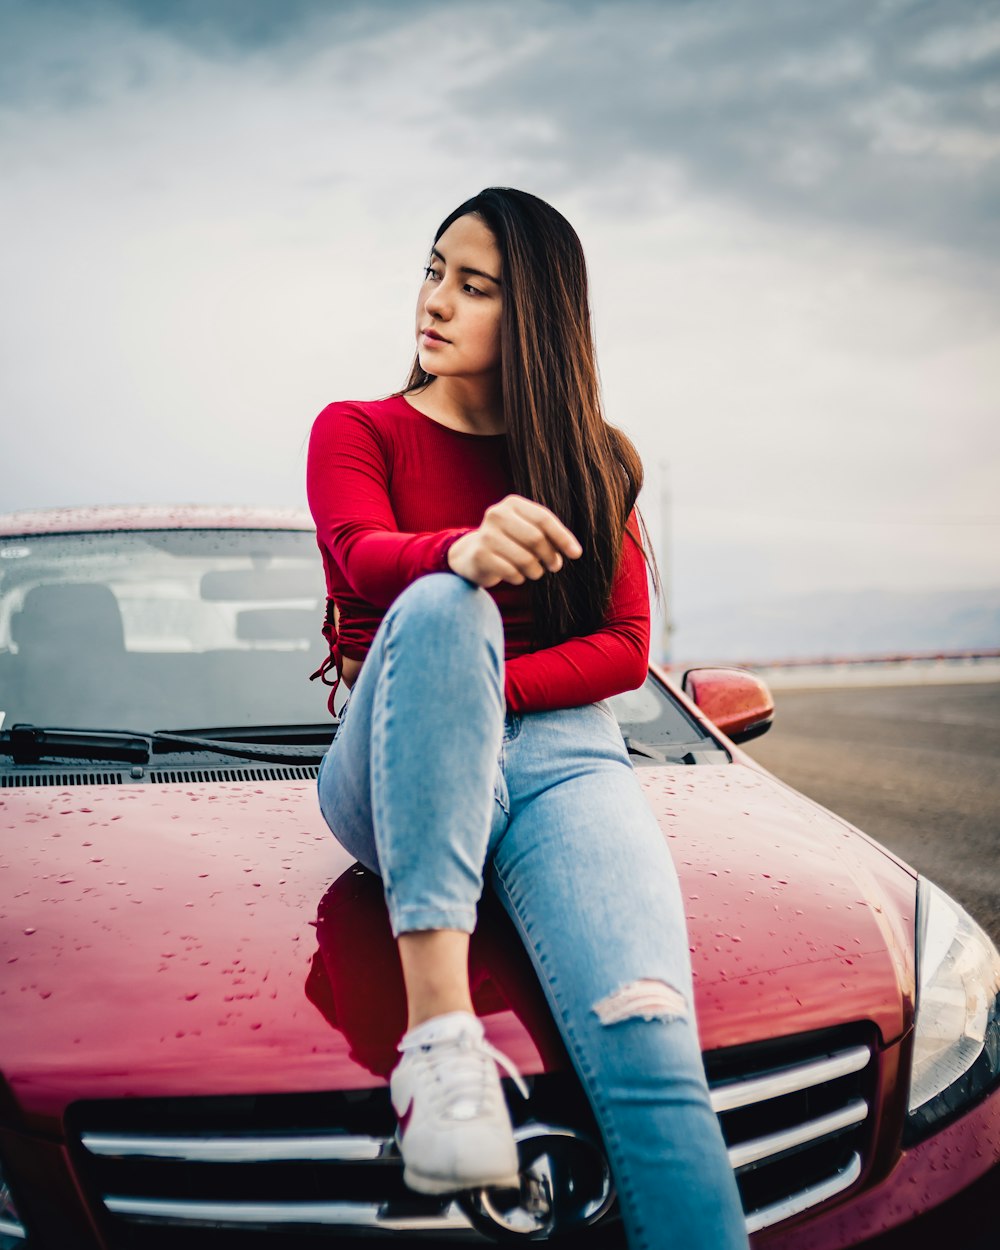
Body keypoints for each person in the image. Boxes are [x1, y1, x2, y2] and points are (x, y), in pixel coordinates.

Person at [307, 187, 749, 1249]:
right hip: (384, 755)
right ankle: (441, 1038)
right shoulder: (355, 429)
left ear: (536, 317)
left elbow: (624, 648)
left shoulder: (595, 458)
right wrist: (457, 559)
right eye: (432, 270)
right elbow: (360, 554)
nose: (435, 301)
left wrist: (473, 697)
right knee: (444, 604)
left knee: (652, 1046)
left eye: (474, 285)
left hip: (567, 764)